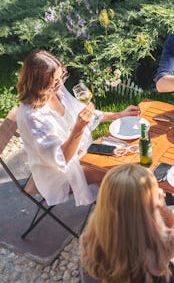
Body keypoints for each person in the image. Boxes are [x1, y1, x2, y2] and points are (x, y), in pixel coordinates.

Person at [16, 49, 141, 207]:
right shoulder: (32, 116)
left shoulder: (57, 90)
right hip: (57, 172)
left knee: (125, 156)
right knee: (114, 175)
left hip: (81, 151)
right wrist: (78, 128)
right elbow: (61, 159)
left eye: (62, 76)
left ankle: (125, 209)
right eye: (55, 81)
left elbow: (81, 111)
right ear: (38, 83)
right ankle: (125, 217)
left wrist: (118, 115)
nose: (61, 84)